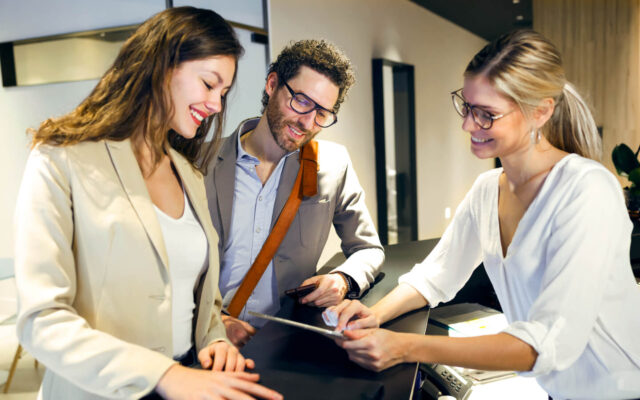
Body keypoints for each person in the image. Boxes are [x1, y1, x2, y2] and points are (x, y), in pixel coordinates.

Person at [327, 30, 640, 400]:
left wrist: (404, 346)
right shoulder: (487, 190)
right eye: (467, 106)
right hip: (559, 389)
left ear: (540, 112)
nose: (468, 125)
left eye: (487, 114)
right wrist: (374, 315)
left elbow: (546, 345)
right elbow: (435, 276)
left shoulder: (588, 190)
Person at [13, 7, 281, 400]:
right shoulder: (61, 159)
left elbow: (201, 301)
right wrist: (165, 375)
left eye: (223, 93)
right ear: (162, 66)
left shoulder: (188, 174)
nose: (217, 105)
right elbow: (41, 319)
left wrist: (215, 340)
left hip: (192, 381)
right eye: (209, 84)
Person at [205, 39, 384, 347]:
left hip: (288, 346)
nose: (307, 122)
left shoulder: (333, 165)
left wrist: (343, 279)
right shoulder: (200, 161)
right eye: (301, 101)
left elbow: (369, 250)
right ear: (272, 84)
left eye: (322, 113)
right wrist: (213, 326)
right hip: (208, 345)